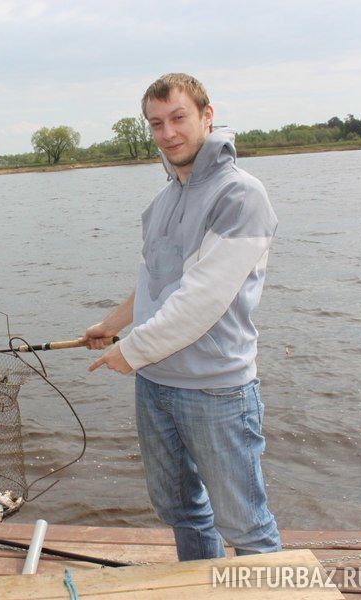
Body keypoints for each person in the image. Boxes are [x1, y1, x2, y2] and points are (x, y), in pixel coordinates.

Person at [83, 73, 281, 561]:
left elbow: (201, 302)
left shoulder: (241, 196)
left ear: (206, 116)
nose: (168, 133)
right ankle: (204, 586)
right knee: (181, 510)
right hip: (155, 384)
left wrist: (130, 352)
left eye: (178, 118)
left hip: (216, 389)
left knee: (246, 524)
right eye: (156, 123)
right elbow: (157, 279)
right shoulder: (163, 200)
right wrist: (114, 324)